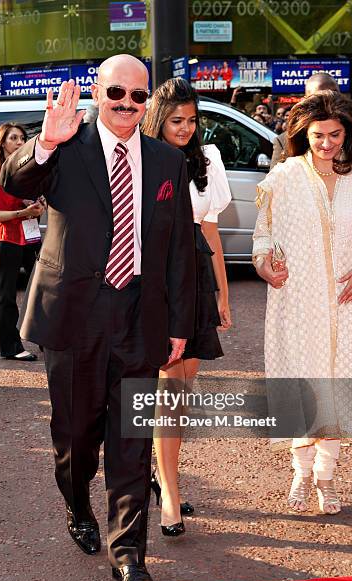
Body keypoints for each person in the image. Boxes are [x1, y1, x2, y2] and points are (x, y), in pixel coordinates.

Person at [0, 55, 196, 581]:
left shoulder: (165, 161)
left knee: (131, 440)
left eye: (138, 96)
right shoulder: (67, 147)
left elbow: (179, 247)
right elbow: (12, 182)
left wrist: (180, 323)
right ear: (97, 93)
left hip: (139, 316)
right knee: (77, 438)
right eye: (116, 93)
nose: (127, 105)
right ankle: (77, 501)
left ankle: (129, 554)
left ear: (148, 98)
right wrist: (44, 142)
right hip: (73, 317)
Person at [253, 90, 352, 515]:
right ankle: (301, 472)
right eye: (319, 135)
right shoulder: (284, 176)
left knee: (337, 387)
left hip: (346, 302)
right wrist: (265, 265)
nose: (327, 143)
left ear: (348, 133)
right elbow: (262, 233)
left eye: (335, 135)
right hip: (297, 303)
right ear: (304, 134)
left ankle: (327, 475)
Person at [142, 78, 232, 535]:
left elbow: (211, 232)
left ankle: (162, 475)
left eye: (192, 120)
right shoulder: (142, 158)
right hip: (156, 278)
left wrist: (223, 293)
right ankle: (170, 495)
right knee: (167, 389)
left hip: (195, 271)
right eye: (176, 120)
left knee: (182, 390)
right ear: (159, 120)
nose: (186, 128)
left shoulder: (206, 159)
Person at [0, 123, 44, 361]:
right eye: (13, 138)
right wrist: (22, 214)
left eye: (21, 137)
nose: (18, 141)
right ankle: (11, 347)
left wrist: (37, 207)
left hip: (31, 234)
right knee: (7, 294)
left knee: (41, 287)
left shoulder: (28, 169)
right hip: (7, 238)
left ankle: (43, 338)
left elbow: (37, 199)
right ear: (2, 143)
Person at [270, 73, 352, 168]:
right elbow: (275, 185)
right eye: (320, 97)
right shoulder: (285, 141)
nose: (329, 101)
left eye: (334, 94)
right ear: (306, 100)